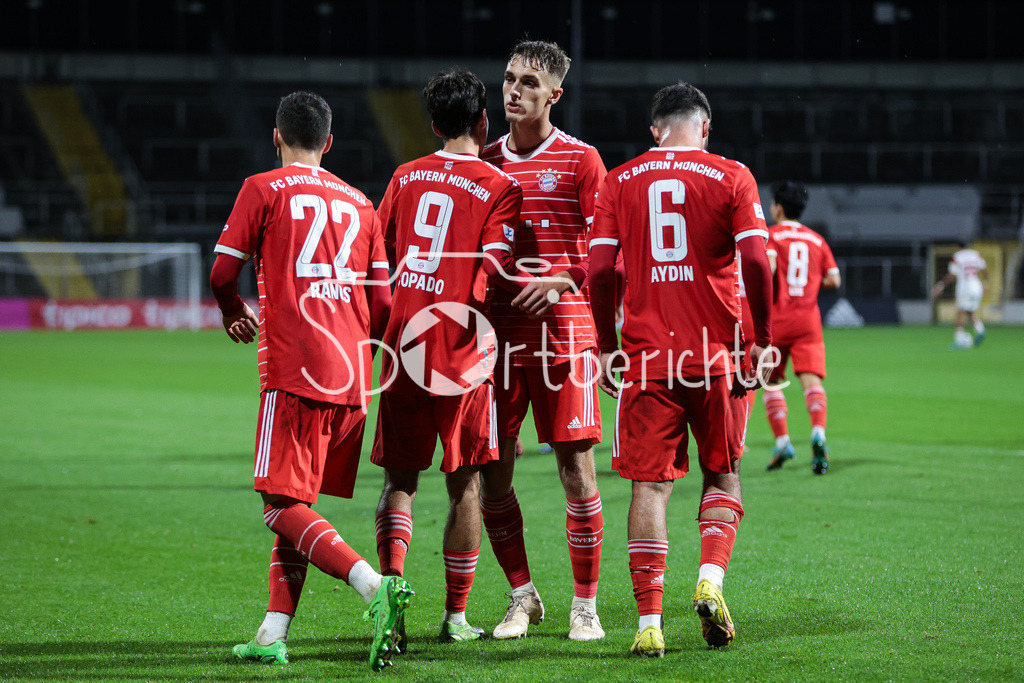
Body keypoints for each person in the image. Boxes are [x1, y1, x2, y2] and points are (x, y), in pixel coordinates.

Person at [209, 91, 412, 671]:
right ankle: (273, 632)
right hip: (351, 378)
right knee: (298, 508)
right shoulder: (361, 203)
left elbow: (223, 271)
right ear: (328, 142)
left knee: (279, 508)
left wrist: (231, 311)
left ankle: (374, 586)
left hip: (295, 370)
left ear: (276, 137)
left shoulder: (263, 188)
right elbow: (382, 307)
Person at [588, 82, 774, 657]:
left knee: (650, 486)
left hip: (646, 356)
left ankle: (649, 622)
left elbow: (597, 269)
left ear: (654, 130)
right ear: (706, 127)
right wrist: (761, 341)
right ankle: (710, 582)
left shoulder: (619, 179)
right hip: (716, 355)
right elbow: (756, 261)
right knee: (722, 474)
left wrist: (604, 344)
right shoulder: (732, 175)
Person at [370, 69, 531, 646]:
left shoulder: (405, 175)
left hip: (401, 344)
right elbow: (491, 271)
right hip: (462, 351)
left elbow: (374, 258)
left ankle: (390, 600)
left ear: (434, 124)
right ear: (483, 122)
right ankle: (456, 617)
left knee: (399, 481)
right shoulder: (498, 186)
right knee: (464, 484)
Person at [478, 39, 608, 642]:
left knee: (575, 470)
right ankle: (522, 596)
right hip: (498, 339)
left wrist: (562, 279)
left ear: (554, 94)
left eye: (529, 82)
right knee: (493, 471)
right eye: (508, 78)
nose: (513, 90)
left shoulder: (583, 161)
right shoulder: (483, 161)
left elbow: (608, 249)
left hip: (565, 332)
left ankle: (586, 605)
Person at [761, 181, 840, 475]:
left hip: (777, 319)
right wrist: (808, 283)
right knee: (812, 381)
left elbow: (766, 270)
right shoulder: (817, 240)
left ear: (778, 207)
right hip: (808, 320)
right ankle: (818, 434)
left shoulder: (770, 236)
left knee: (770, 380)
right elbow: (835, 280)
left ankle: (783, 441)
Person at [932, 241, 988, 349]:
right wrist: (985, 283)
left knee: (959, 312)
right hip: (977, 287)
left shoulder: (957, 256)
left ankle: (960, 339)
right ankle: (980, 330)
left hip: (965, 288)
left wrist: (941, 284)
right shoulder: (976, 254)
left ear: (958, 247)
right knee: (969, 311)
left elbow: (952, 274)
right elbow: (984, 268)